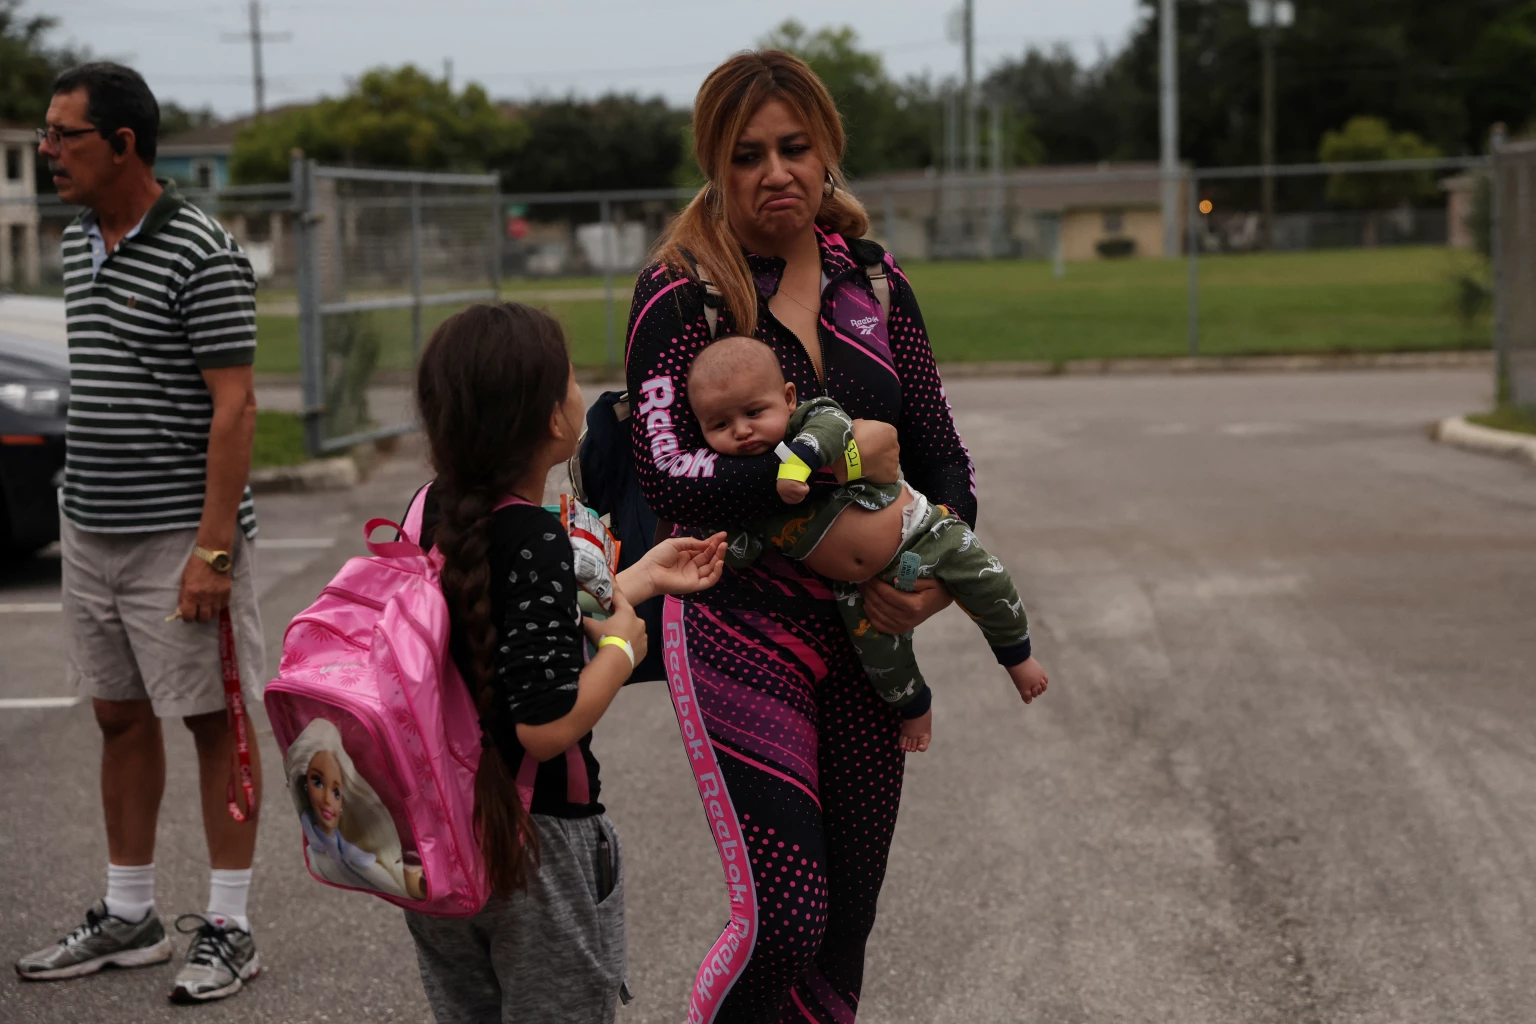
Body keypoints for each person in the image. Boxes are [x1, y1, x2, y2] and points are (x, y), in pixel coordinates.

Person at [626, 48, 1048, 1021]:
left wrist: (933, 581)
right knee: (784, 919)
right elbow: (666, 475)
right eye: (746, 155)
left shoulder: (876, 278)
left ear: (826, 154)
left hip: (867, 638)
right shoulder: (680, 296)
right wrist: (833, 465)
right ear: (715, 166)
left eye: (793, 147)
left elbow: (942, 454)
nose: (774, 171)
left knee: (844, 925)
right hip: (738, 626)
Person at [16, 63, 267, 1004]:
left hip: (178, 537)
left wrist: (212, 549)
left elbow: (235, 408)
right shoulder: (81, 241)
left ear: (124, 144)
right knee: (118, 716)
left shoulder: (200, 250)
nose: (47, 152)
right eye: (46, 134)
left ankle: (232, 927)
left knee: (213, 725)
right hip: (93, 527)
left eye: (62, 136)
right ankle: (132, 915)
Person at [404, 302, 727, 1023]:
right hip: (534, 842)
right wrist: (622, 647)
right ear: (552, 418)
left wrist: (638, 580)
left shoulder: (430, 511)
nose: (585, 391)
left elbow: (519, 618)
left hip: (438, 832)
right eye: (573, 379)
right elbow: (545, 726)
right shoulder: (532, 541)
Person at [685, 335, 1048, 753]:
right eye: (720, 425)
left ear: (787, 398)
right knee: (880, 657)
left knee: (987, 579)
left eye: (753, 412)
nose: (742, 431)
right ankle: (916, 705)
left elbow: (836, 426)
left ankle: (1016, 655)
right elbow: (744, 547)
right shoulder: (740, 487)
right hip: (859, 589)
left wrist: (799, 464)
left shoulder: (809, 418)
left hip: (922, 536)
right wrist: (717, 548)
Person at [284, 717, 425, 901]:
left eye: (336, 792)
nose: (328, 800)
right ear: (304, 783)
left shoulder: (355, 856)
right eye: (317, 782)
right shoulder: (338, 853)